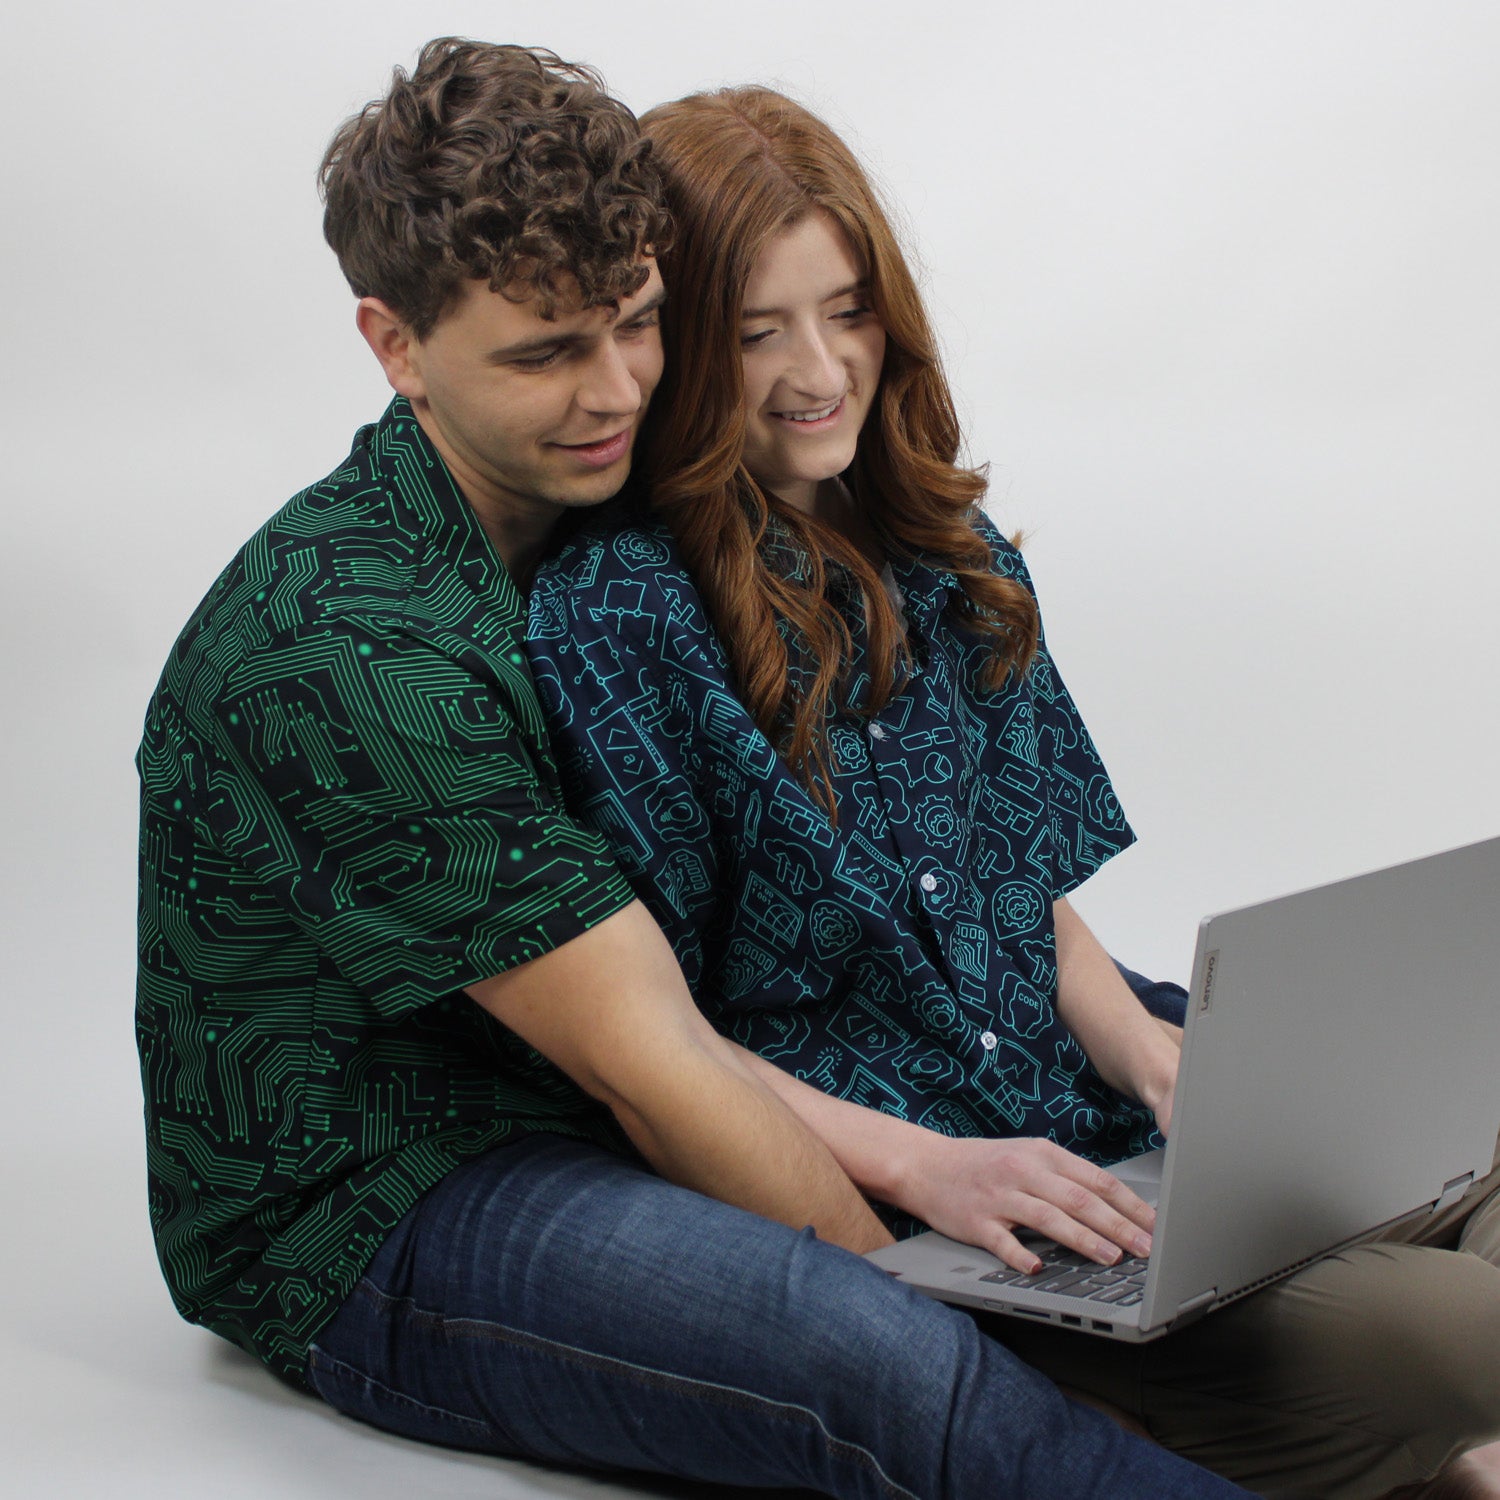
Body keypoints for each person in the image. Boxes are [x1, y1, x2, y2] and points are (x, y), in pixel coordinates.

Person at [134, 37, 1251, 1500]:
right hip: (409, 1182)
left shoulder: (611, 523)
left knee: (1265, 1064)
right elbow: (654, 1071)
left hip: (632, 1057)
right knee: (883, 1359)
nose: (613, 392)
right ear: (394, 345)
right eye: (543, 354)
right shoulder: (354, 650)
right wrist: (996, 1305)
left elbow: (952, 846)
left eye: (640, 324)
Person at [524, 85, 1500, 1499]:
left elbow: (1022, 896)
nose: (818, 368)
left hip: (1096, 1154)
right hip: (957, 1234)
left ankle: (1394, 1420)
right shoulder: (614, 619)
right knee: (1465, 1338)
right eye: (756, 331)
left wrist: (1154, 1059)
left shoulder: (944, 540)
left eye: (847, 309)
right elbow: (660, 1046)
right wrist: (930, 1171)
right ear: (678, 348)